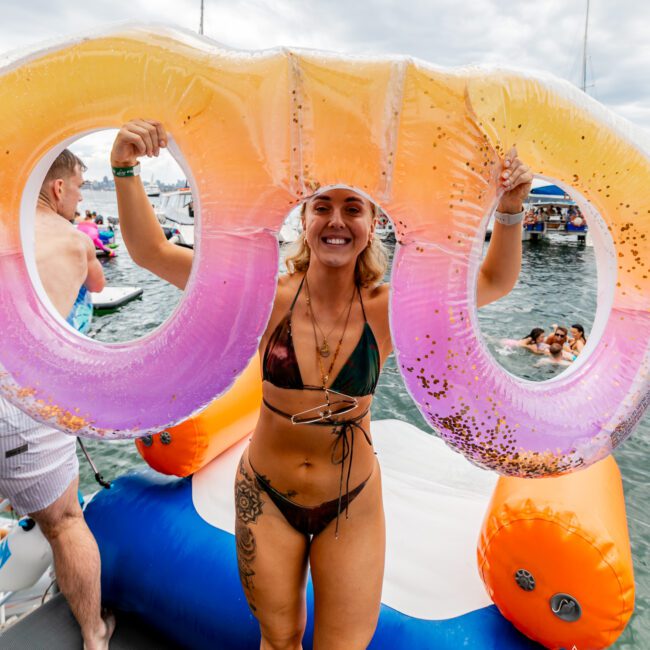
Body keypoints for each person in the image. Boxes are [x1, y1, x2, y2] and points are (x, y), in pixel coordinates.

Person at [110, 118, 532, 649]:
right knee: (279, 639)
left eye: (352, 208)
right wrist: (124, 166)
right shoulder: (265, 295)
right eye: (323, 207)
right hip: (265, 493)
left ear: (373, 221)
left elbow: (494, 282)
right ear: (305, 219)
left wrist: (512, 207)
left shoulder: (390, 308)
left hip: (351, 501)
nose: (337, 220)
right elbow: (154, 253)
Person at [0, 150, 114, 649]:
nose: (83, 197)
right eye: (81, 186)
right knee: (66, 524)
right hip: (22, 391)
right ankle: (94, 635)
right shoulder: (72, 238)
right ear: (59, 189)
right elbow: (97, 285)